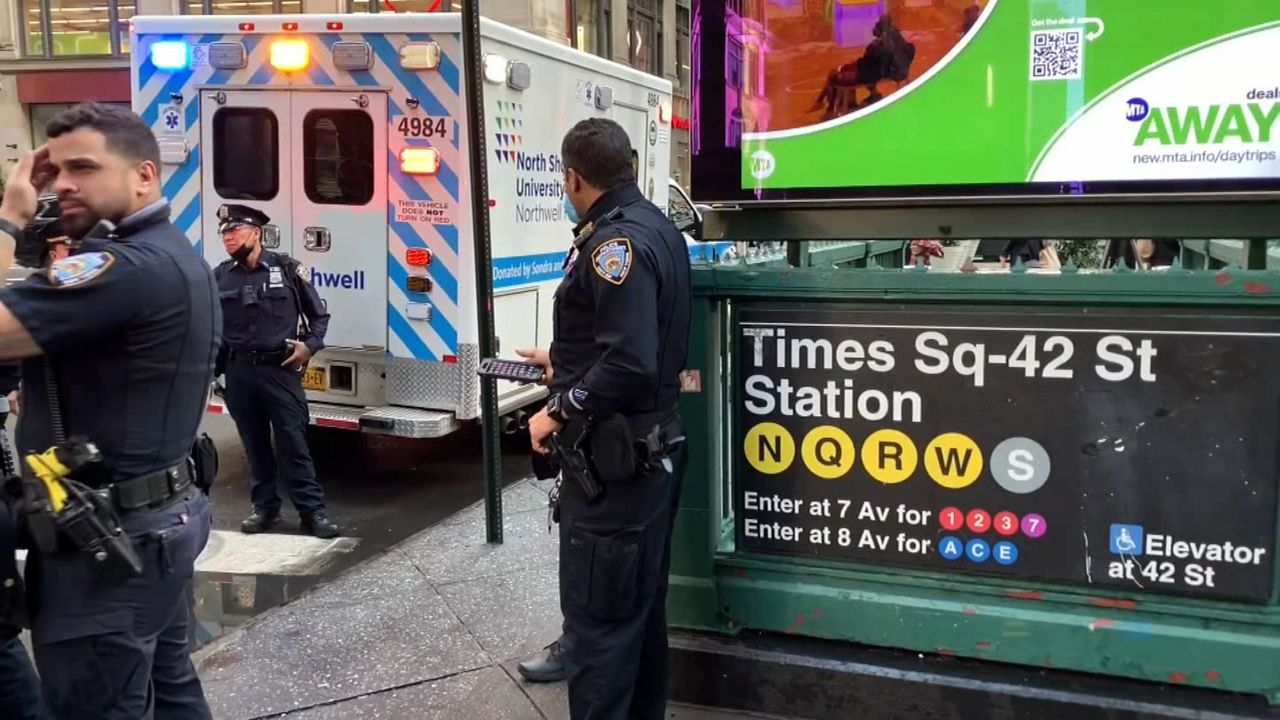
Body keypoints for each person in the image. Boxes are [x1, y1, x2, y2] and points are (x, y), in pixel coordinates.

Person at [0, 101, 216, 718]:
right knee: (171, 691)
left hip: (105, 551)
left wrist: (13, 217)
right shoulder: (171, 252)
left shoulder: (122, 269)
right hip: (153, 528)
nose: (64, 183)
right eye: (56, 169)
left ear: (144, 175)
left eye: (84, 168)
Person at [516, 118, 692, 719]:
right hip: (654, 451)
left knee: (599, 632)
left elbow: (631, 362)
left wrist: (558, 410)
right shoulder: (658, 228)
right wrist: (562, 360)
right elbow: (632, 341)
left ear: (572, 176)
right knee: (640, 618)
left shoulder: (612, 245)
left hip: (617, 470)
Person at [213, 203, 339, 539]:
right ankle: (265, 508)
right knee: (254, 446)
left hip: (279, 371)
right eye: (224, 232)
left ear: (255, 233)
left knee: (292, 444)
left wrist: (309, 347)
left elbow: (318, 317)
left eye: (235, 230)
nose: (228, 237)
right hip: (239, 371)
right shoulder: (221, 275)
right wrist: (212, 371)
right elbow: (216, 330)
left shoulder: (286, 269)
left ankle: (313, 514)